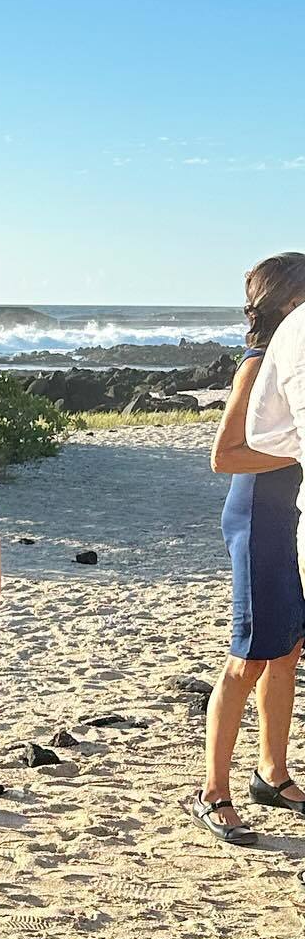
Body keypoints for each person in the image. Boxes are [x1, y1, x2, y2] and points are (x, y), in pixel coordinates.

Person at [190, 255, 305, 845]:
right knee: (249, 657)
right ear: (288, 303)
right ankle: (212, 792)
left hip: (292, 515)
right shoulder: (258, 363)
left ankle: (271, 775)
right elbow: (224, 455)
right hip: (259, 518)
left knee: (287, 651)